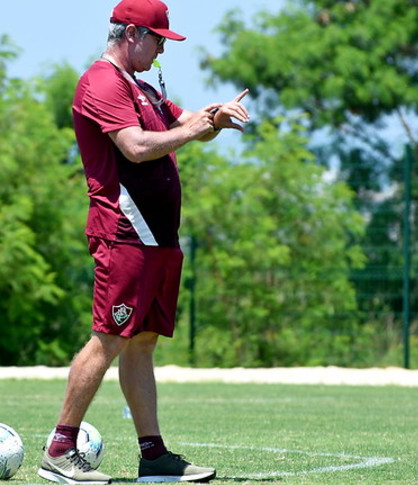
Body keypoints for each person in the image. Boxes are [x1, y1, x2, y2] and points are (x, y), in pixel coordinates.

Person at [37, 0, 250, 483]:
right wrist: (194, 129)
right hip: (125, 231)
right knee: (109, 337)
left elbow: (189, 123)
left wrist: (214, 118)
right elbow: (134, 146)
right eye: (158, 40)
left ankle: (153, 457)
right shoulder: (102, 82)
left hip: (157, 237)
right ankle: (60, 449)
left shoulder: (143, 87)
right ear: (132, 34)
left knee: (143, 342)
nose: (161, 51)